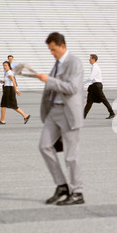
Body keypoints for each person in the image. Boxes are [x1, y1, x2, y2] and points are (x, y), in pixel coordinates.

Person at [35, 32, 85, 206]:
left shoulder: (74, 63)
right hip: (54, 111)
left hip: (68, 113)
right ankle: (62, 185)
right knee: (44, 146)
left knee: (71, 155)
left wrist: (48, 80)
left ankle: (77, 191)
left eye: (53, 49)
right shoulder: (57, 63)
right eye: (50, 50)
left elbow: (72, 88)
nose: (51, 53)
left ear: (62, 46)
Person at [0, 61, 30, 125]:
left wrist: (16, 90)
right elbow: (9, 81)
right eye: (3, 65)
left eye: (6, 65)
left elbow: (13, 81)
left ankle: (25, 115)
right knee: (3, 105)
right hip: (7, 89)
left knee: (13, 106)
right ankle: (2, 120)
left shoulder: (9, 72)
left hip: (9, 90)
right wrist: (3, 82)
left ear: (9, 66)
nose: (4, 67)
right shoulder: (7, 73)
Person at [83, 54, 115, 119]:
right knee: (90, 101)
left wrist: (83, 82)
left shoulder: (95, 67)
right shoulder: (95, 66)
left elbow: (92, 77)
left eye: (90, 58)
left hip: (96, 86)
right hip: (95, 85)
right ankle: (83, 115)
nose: (89, 60)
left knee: (103, 100)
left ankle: (112, 113)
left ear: (93, 59)